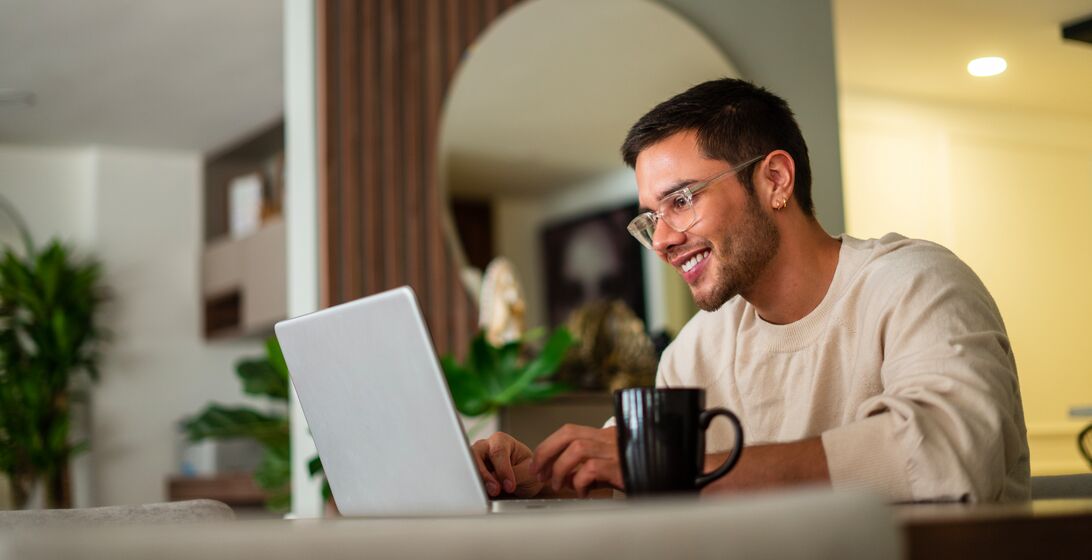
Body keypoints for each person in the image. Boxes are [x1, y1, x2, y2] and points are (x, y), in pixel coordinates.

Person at [470, 78, 1030, 503]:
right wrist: (533, 474)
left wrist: (681, 467)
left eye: (682, 200)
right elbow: (623, 466)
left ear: (775, 180)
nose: (662, 240)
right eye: (649, 218)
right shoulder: (698, 348)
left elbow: (948, 455)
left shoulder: (917, 284)